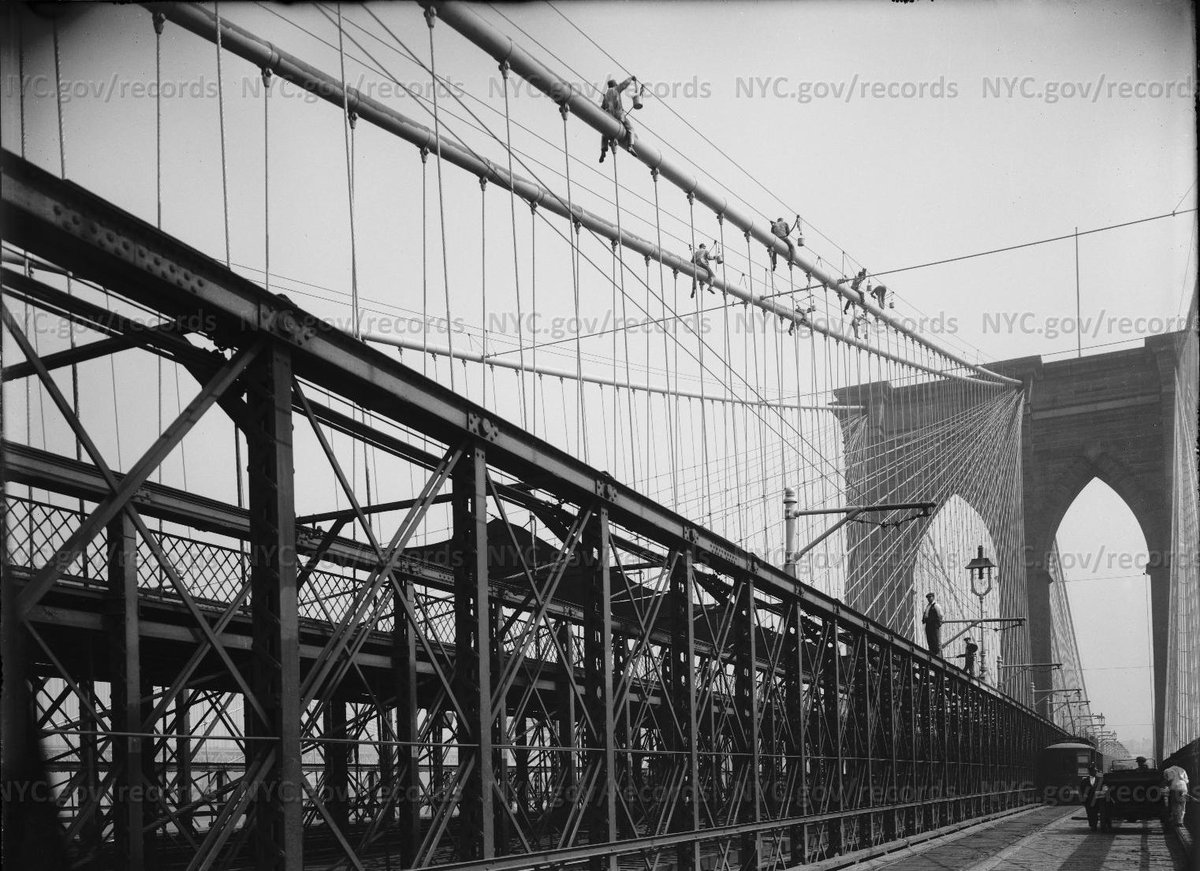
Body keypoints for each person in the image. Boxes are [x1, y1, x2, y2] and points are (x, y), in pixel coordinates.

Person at [599, 74, 638, 163]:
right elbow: (625, 84)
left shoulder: (606, 96)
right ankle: (630, 146)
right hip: (619, 116)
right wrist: (631, 78)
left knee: (605, 132)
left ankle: (603, 150)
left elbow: (601, 108)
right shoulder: (616, 89)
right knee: (630, 128)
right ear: (615, 85)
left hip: (610, 117)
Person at [1079, 763, 1103, 829]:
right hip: (1088, 800)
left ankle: (1095, 824)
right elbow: (1081, 791)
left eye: (1095, 771)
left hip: (1097, 800)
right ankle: (1092, 826)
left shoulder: (1100, 780)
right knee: (1090, 813)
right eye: (1093, 771)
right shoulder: (1084, 781)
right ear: (1090, 771)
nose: (1095, 772)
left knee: (1096, 813)